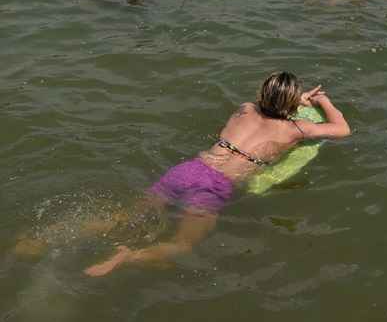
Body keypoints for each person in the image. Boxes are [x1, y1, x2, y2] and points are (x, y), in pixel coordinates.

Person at [76, 72, 349, 276]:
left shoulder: (245, 109)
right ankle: (129, 257)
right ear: (291, 104)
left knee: (128, 218)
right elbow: (342, 129)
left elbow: (265, 107)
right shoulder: (296, 130)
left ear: (262, 94)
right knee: (182, 245)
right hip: (213, 186)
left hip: (188, 170)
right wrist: (322, 100)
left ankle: (61, 235)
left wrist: (292, 100)